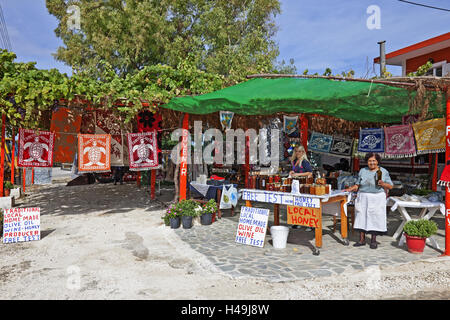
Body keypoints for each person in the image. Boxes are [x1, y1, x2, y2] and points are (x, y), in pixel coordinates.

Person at [344, 153, 393, 249]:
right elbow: (358, 185)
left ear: (378, 161)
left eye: (374, 161)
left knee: (374, 217)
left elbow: (390, 186)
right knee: (361, 216)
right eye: (370, 161)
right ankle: (361, 240)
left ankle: (373, 240)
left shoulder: (383, 171)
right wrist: (350, 189)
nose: (372, 163)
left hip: (377, 197)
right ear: (367, 162)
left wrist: (382, 183)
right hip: (363, 197)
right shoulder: (363, 171)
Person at [289, 145, 313, 230]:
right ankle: (297, 222)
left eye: (299, 151)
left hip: (303, 185)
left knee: (306, 205)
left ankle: (310, 225)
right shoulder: (295, 160)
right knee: (296, 204)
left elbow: (310, 173)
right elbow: (295, 171)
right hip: (296, 185)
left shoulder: (304, 162)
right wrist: (292, 172)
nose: (297, 153)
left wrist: (297, 174)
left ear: (303, 152)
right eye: (296, 151)